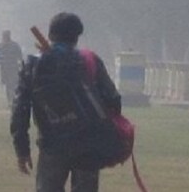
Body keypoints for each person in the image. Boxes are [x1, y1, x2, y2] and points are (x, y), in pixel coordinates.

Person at [11, 12, 121, 192]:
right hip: (88, 142)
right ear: (77, 36)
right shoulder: (89, 60)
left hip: (51, 142)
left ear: (50, 34)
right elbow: (113, 100)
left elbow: (20, 110)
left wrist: (22, 150)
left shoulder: (34, 64)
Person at [0, 29, 23, 106]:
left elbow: (20, 57)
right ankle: (10, 101)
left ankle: (14, 100)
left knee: (13, 85)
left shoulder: (14, 45)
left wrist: (21, 66)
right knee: (8, 86)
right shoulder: (0, 46)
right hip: (4, 69)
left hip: (13, 68)